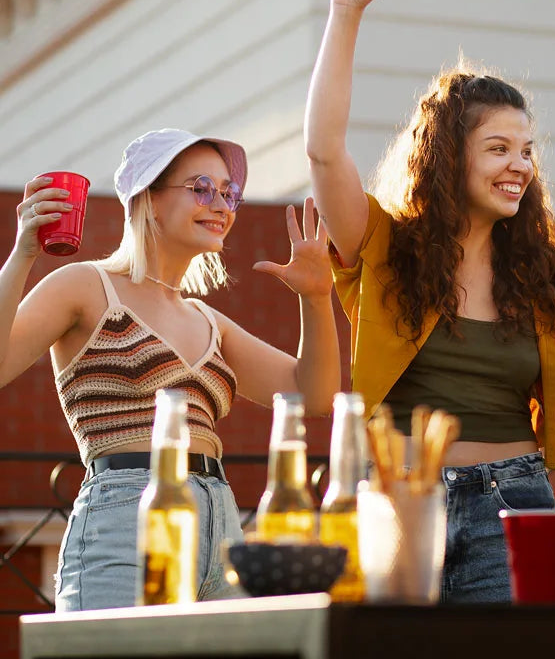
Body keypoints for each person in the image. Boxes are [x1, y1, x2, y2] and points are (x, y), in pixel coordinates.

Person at [304, 0, 555, 603]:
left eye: (527, 151)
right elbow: (322, 149)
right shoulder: (384, 247)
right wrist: (345, 13)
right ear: (450, 158)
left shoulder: (539, 272)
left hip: (515, 505)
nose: (519, 166)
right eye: (499, 148)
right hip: (396, 501)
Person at [0, 128, 340, 611]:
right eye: (201, 188)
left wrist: (317, 297)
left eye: (229, 193)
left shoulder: (209, 321)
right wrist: (24, 253)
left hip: (220, 524)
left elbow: (315, 395)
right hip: (124, 520)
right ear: (149, 199)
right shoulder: (86, 285)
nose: (220, 204)